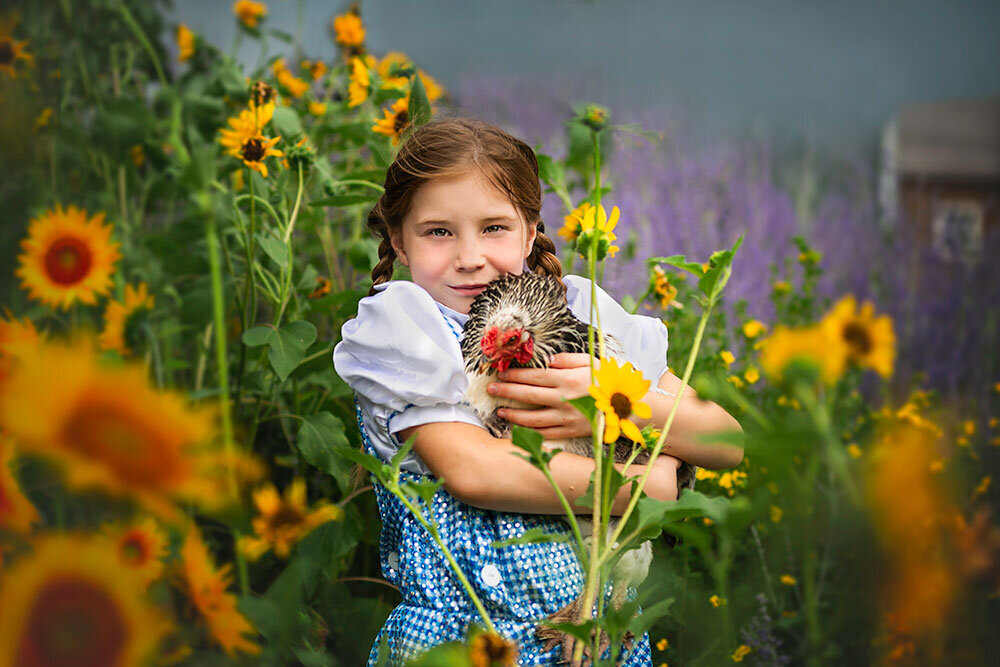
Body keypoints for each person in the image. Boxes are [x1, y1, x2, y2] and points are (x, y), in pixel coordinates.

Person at [333, 115, 743, 666]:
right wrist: (652, 480)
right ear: (398, 242)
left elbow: (726, 441)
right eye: (439, 231)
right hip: (458, 647)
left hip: (597, 642)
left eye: (494, 228)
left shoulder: (584, 316)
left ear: (530, 232)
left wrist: (617, 401)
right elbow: (479, 473)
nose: (470, 255)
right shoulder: (406, 334)